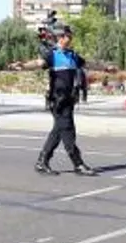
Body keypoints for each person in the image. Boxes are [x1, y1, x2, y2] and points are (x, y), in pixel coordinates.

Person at [34, 23, 97, 176]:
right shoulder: (53, 54)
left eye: (70, 36)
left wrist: (106, 68)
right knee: (68, 130)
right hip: (58, 100)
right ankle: (78, 164)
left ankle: (42, 162)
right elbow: (39, 63)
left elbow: (88, 63)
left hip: (69, 99)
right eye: (67, 36)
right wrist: (22, 65)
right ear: (60, 38)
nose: (70, 38)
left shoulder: (72, 55)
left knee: (58, 131)